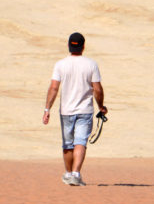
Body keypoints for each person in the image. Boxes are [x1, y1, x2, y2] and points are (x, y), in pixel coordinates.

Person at [43, 32, 107, 186]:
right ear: (84, 46)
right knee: (80, 142)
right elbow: (97, 89)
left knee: (67, 144)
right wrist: (101, 106)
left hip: (66, 111)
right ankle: (76, 174)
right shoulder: (91, 64)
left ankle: (68, 173)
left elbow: (53, 88)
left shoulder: (60, 64)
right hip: (85, 110)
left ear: (68, 46)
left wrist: (47, 109)